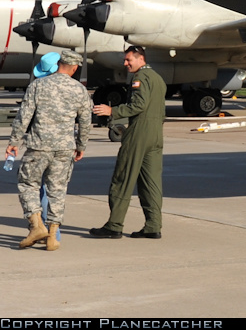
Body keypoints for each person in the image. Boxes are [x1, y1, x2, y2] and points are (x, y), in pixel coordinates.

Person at [6, 50, 91, 251]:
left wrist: (14, 142)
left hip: (39, 145)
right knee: (57, 190)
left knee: (28, 183)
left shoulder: (38, 85)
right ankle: (52, 236)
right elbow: (86, 122)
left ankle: (36, 226)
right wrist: (81, 146)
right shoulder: (79, 90)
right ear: (74, 67)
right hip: (64, 147)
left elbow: (24, 116)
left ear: (59, 63)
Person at [90, 45, 167, 239]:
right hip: (156, 133)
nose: (125, 64)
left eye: (128, 60)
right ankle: (153, 226)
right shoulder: (158, 78)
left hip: (139, 132)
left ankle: (114, 225)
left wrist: (113, 111)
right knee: (151, 182)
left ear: (141, 59)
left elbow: (138, 105)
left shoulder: (140, 78)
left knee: (123, 177)